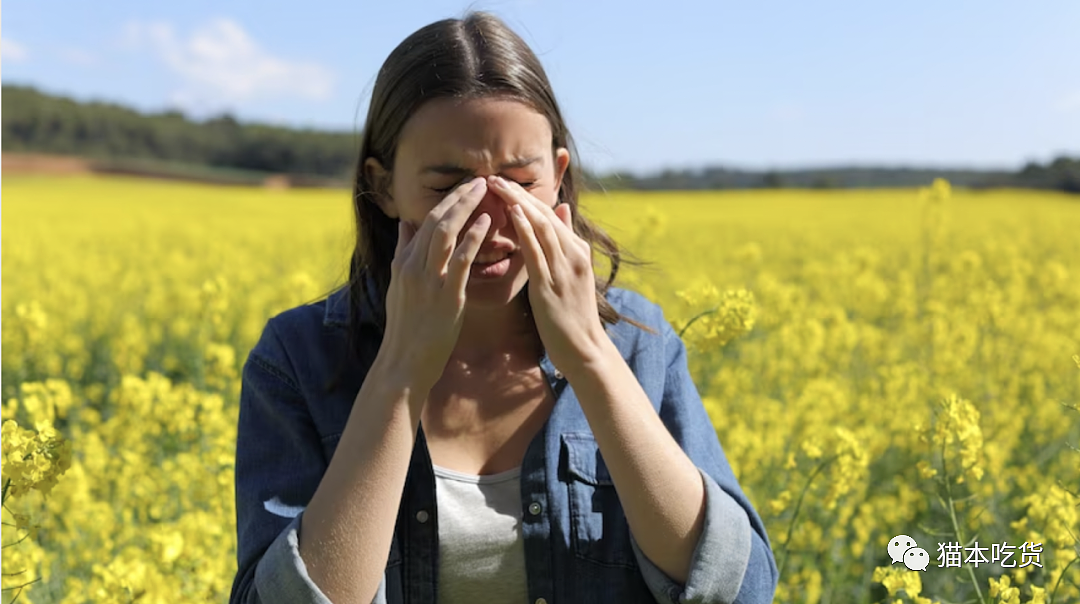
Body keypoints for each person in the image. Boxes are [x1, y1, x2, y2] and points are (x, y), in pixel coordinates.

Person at [229, 10, 777, 604]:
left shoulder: (640, 346)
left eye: (520, 181)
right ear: (383, 187)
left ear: (559, 176)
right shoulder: (297, 359)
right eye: (448, 189)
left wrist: (591, 356)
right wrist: (402, 370)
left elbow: (741, 590)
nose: (491, 220)